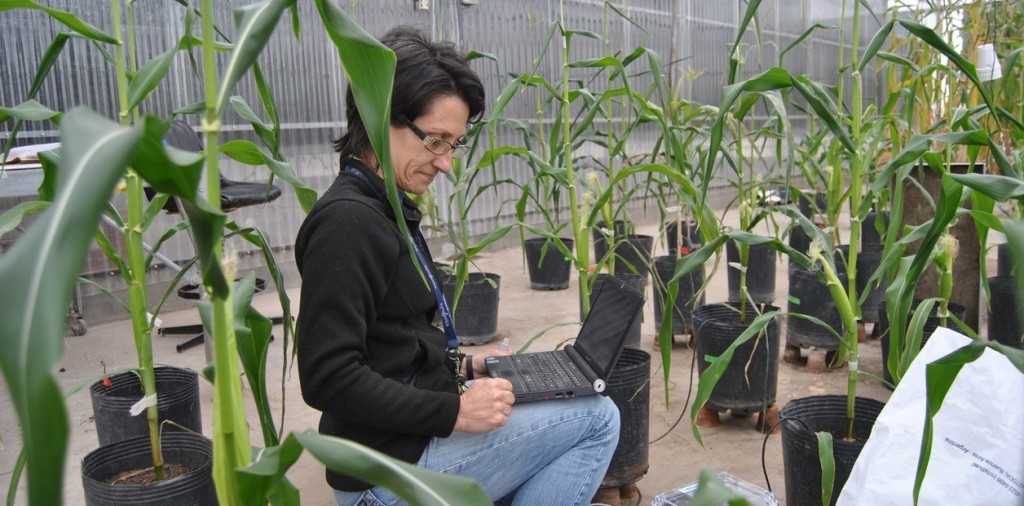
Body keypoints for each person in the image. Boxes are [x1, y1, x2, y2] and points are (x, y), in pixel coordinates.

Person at [295, 26, 620, 506]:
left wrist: (466, 365)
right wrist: (455, 412)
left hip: (400, 449)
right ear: (381, 116)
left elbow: (391, 343)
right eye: (435, 140)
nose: (446, 163)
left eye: (454, 144)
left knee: (562, 407)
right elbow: (327, 377)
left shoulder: (384, 205)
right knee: (598, 417)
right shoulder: (349, 223)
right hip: (386, 476)